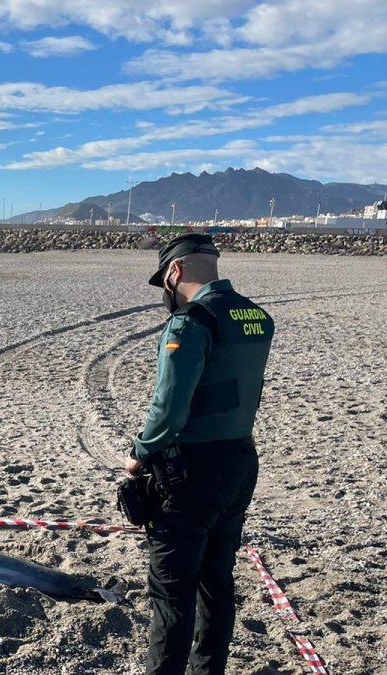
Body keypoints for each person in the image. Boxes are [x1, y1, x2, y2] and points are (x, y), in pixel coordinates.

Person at [124, 233, 275, 675]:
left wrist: (138, 453)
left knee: (172, 595)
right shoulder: (256, 316)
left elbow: (169, 407)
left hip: (192, 472)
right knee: (216, 583)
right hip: (239, 461)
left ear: (174, 272)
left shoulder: (191, 322)